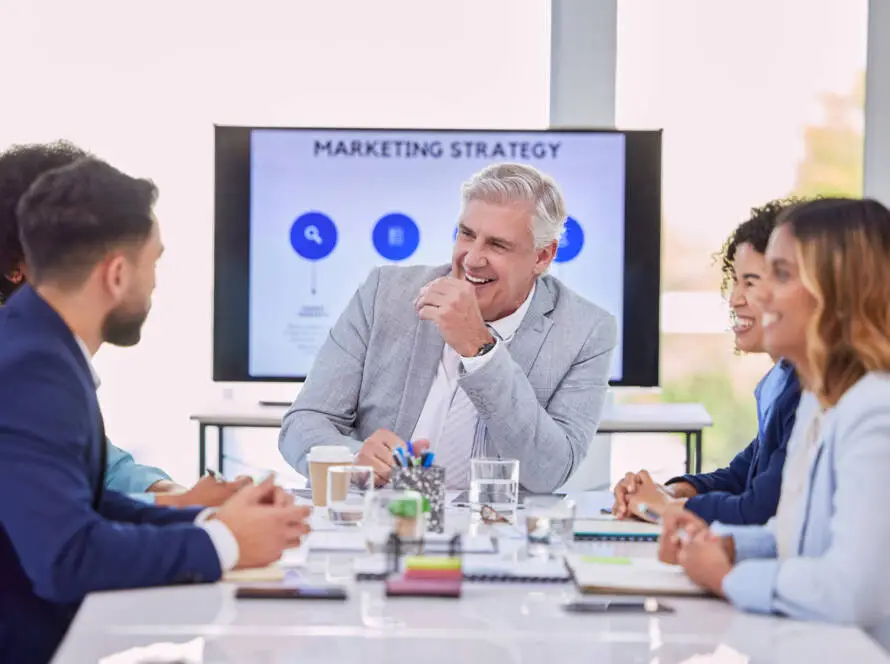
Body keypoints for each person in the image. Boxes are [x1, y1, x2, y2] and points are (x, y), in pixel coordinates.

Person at [0, 157, 311, 662]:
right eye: (154, 262)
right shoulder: (34, 369)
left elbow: (86, 507)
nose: (155, 284)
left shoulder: (36, 344)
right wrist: (223, 543)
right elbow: (66, 557)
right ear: (118, 274)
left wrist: (209, 518)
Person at [278, 163, 618, 492]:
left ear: (543, 257)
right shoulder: (386, 293)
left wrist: (481, 351)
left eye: (497, 245)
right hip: (380, 520)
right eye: (466, 235)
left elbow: (549, 471)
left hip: (496, 532)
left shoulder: (587, 330)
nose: (471, 258)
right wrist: (353, 461)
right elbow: (302, 425)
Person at [659, 198, 890, 649]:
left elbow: (853, 589)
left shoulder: (876, 411)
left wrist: (729, 577)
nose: (756, 296)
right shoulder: (820, 401)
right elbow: (791, 534)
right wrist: (725, 546)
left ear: (840, 293)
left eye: (780, 275)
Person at [0, 140, 236, 507]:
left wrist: (170, 496)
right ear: (16, 263)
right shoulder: (25, 365)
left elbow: (92, 465)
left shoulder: (48, 349)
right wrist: (208, 532)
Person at [612, 200, 803, 525]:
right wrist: (671, 492)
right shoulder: (782, 380)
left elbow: (761, 508)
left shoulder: (808, 390)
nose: (735, 299)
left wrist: (664, 508)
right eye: (736, 280)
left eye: (752, 282)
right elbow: (741, 476)